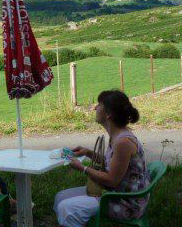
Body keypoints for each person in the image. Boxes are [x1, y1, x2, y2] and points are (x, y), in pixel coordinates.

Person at [54, 90, 150, 227]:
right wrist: (88, 153)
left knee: (67, 208)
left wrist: (83, 168)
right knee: (60, 197)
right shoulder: (118, 135)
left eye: (99, 105)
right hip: (114, 193)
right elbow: (113, 163)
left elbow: (112, 180)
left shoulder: (123, 142)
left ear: (108, 114)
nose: (95, 108)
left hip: (125, 202)